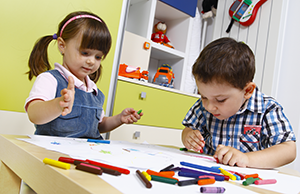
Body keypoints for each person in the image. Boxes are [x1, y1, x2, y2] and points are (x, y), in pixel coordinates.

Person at [25, 11, 143, 139]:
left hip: (88, 154)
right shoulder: (50, 80)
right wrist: (58, 104)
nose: (91, 61)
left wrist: (119, 119)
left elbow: (98, 126)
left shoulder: (94, 91)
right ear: (62, 46)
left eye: (98, 57)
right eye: (85, 53)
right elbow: (34, 114)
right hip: (56, 153)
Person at [181, 37, 296, 168]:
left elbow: (289, 150)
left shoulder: (267, 109)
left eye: (220, 100)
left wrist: (246, 159)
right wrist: (188, 136)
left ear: (247, 91)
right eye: (203, 96)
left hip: (248, 181)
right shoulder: (203, 106)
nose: (209, 107)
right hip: (209, 176)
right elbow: (188, 129)